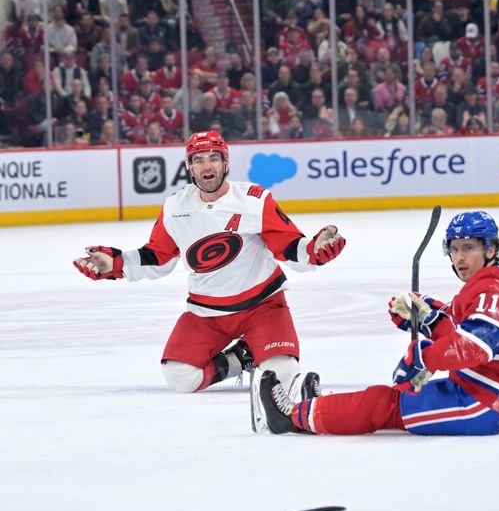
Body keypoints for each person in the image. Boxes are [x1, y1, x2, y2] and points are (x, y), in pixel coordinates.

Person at [72, 131, 347, 419]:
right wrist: (116, 263)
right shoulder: (176, 206)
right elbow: (158, 256)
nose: (207, 166)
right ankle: (242, 358)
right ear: (189, 167)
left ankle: (258, 353)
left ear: (226, 163)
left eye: (214, 158)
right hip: (207, 313)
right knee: (179, 378)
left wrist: (314, 250)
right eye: (199, 160)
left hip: (263, 307)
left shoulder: (254, 199)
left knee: (283, 376)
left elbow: (289, 245)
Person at [252, 211, 499, 436]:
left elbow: (477, 344)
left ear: (491, 249)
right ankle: (320, 410)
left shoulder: (492, 285)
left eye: (470, 248)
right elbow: (466, 333)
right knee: (388, 399)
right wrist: (429, 318)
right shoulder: (497, 282)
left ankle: (291, 417)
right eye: (454, 249)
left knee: (385, 405)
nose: (460, 258)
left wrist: (423, 357)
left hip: (498, 404)